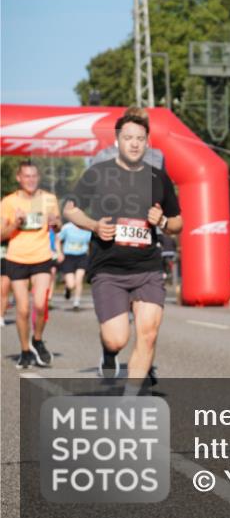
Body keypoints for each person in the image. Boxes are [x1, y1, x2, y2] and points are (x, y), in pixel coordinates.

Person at [63, 107, 182, 389]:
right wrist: (93, 225)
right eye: (128, 137)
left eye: (140, 138)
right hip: (109, 267)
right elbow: (70, 209)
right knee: (117, 338)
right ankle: (109, 349)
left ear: (147, 141)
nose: (134, 143)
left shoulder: (158, 177)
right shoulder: (98, 173)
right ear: (118, 140)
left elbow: (178, 222)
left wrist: (163, 220)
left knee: (148, 334)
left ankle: (131, 400)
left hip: (147, 267)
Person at [0, 161, 61, 368]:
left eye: (34, 176)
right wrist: (15, 224)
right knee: (23, 310)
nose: (31, 180)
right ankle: (25, 350)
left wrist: (55, 223)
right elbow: (1, 235)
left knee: (40, 304)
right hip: (17, 259)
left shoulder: (48, 199)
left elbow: (58, 226)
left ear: (38, 177)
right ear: (19, 178)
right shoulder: (8, 202)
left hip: (42, 257)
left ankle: (37, 339)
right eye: (26, 176)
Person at [57, 220, 92, 311]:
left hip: (82, 256)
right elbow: (58, 240)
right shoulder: (67, 227)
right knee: (71, 284)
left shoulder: (87, 228)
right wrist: (59, 253)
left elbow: (90, 243)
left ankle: (76, 303)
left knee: (79, 279)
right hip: (69, 257)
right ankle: (68, 288)